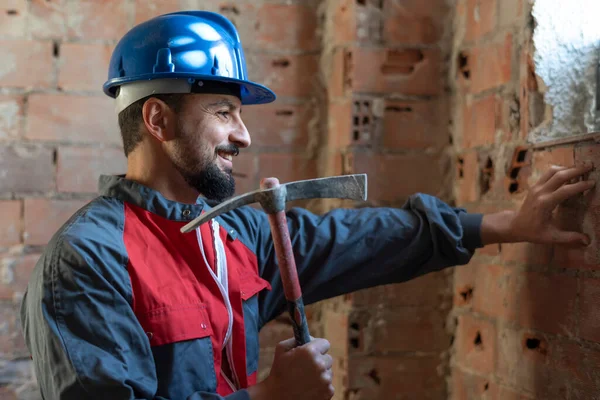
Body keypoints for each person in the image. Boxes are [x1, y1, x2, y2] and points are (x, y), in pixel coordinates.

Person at [20, 11, 594, 400]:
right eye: (224, 111)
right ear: (157, 119)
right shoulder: (88, 260)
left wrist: (505, 226)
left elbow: (356, 240)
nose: (243, 135)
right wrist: (270, 395)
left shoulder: (232, 233)